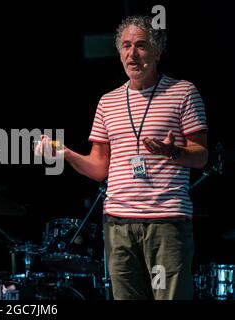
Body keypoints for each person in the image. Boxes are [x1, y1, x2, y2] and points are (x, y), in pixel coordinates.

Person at [35, 15, 208, 300]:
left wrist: (172, 152)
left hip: (166, 222)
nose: (132, 53)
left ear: (157, 51)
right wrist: (66, 154)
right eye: (126, 46)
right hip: (118, 224)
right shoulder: (108, 101)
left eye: (141, 45)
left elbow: (201, 157)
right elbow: (99, 169)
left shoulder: (183, 92)